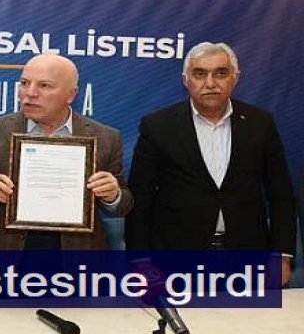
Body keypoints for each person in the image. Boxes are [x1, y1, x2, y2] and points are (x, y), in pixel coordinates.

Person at [126, 42, 295, 284]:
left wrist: (281, 255)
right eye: (199, 74)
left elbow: (281, 194)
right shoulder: (158, 126)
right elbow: (140, 197)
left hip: (248, 255)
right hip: (176, 258)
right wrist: (141, 261)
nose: (210, 83)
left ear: (235, 78)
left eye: (220, 73)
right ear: (185, 80)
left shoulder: (260, 123)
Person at [0, 54, 132, 250]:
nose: (30, 93)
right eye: (24, 83)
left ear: (71, 94)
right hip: (4, 251)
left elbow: (125, 203)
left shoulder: (106, 137)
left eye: (44, 85)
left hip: (75, 254)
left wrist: (113, 195)